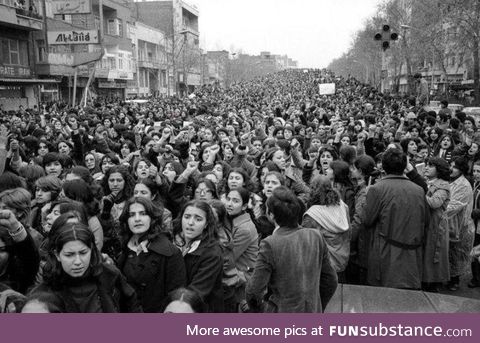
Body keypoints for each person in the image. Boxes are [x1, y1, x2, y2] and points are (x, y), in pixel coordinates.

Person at [246, 186, 337, 313]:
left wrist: (265, 310)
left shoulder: (270, 244)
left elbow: (254, 292)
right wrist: (316, 306)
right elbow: (331, 281)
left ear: (271, 215)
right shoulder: (316, 236)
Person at [30, 222, 142, 313]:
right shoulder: (43, 296)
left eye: (83, 253)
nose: (78, 262)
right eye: (69, 255)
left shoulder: (109, 274)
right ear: (57, 255)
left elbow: (132, 303)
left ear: (91, 250)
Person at [362, 148, 428, 289]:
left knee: (383, 301)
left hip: (386, 254)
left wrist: (364, 199)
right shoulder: (419, 190)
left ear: (383, 167)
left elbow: (366, 220)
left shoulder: (376, 189)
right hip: (413, 256)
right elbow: (425, 221)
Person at [117, 197, 186, 312]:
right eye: (132, 215)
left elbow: (176, 296)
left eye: (143, 214)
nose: (137, 219)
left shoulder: (169, 253)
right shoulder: (125, 248)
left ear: (152, 218)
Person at [172, 200, 224, 312]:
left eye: (198, 219)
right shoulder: (172, 242)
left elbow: (196, 292)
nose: (190, 223)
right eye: (187, 217)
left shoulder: (212, 253)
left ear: (206, 224)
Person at [303, 175, 350, 281]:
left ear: (313, 190)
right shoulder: (343, 207)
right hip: (342, 263)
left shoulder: (312, 215)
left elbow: (306, 245)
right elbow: (349, 234)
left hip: (322, 268)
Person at [445, 156, 475, 291]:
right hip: (452, 225)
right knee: (450, 253)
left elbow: (452, 207)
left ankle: (454, 281)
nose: (452, 169)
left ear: (461, 169)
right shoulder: (453, 180)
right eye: (451, 165)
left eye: (455, 167)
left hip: (460, 226)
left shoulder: (463, 185)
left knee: (456, 255)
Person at [422, 157, 451, 292]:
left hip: (436, 225)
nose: (427, 167)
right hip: (429, 224)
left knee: (434, 255)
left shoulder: (443, 185)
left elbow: (435, 203)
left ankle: (434, 283)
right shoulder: (429, 182)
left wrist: (418, 194)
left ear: (439, 170)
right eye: (427, 165)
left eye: (431, 166)